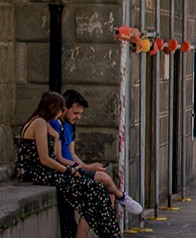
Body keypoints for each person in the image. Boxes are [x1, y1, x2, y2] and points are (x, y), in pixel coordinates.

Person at [15, 90, 132, 238]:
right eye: (60, 110)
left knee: (98, 189)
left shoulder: (47, 124)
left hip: (48, 171)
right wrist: (68, 171)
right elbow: (45, 159)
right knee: (92, 189)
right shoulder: (38, 123)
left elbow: (56, 155)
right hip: (39, 173)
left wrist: (54, 137)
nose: (61, 114)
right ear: (53, 107)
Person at [52, 90, 144, 218]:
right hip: (66, 169)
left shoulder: (71, 126)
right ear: (64, 109)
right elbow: (58, 157)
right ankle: (122, 197)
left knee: (107, 193)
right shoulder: (55, 125)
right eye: (75, 113)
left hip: (74, 167)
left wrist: (85, 166)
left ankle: (111, 225)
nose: (78, 117)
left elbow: (72, 153)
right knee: (103, 180)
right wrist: (86, 168)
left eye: (80, 113)